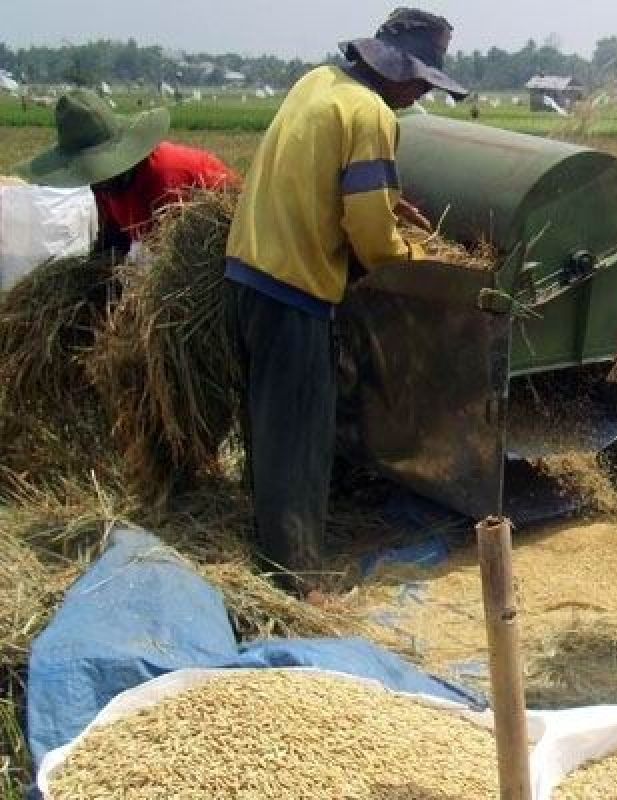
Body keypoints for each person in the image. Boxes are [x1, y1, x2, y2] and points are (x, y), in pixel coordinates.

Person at [223, 7, 468, 595]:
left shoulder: (318, 83)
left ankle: (269, 553)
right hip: (295, 291)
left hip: (246, 276)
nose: (419, 96)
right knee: (301, 444)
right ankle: (297, 586)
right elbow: (369, 233)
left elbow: (330, 184)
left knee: (268, 432)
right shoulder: (372, 114)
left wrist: (387, 209)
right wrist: (417, 258)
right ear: (399, 71)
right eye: (422, 82)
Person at [16, 89, 237, 256]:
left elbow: (177, 262)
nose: (97, 182)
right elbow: (114, 238)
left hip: (223, 248)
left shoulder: (167, 177)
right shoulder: (104, 184)